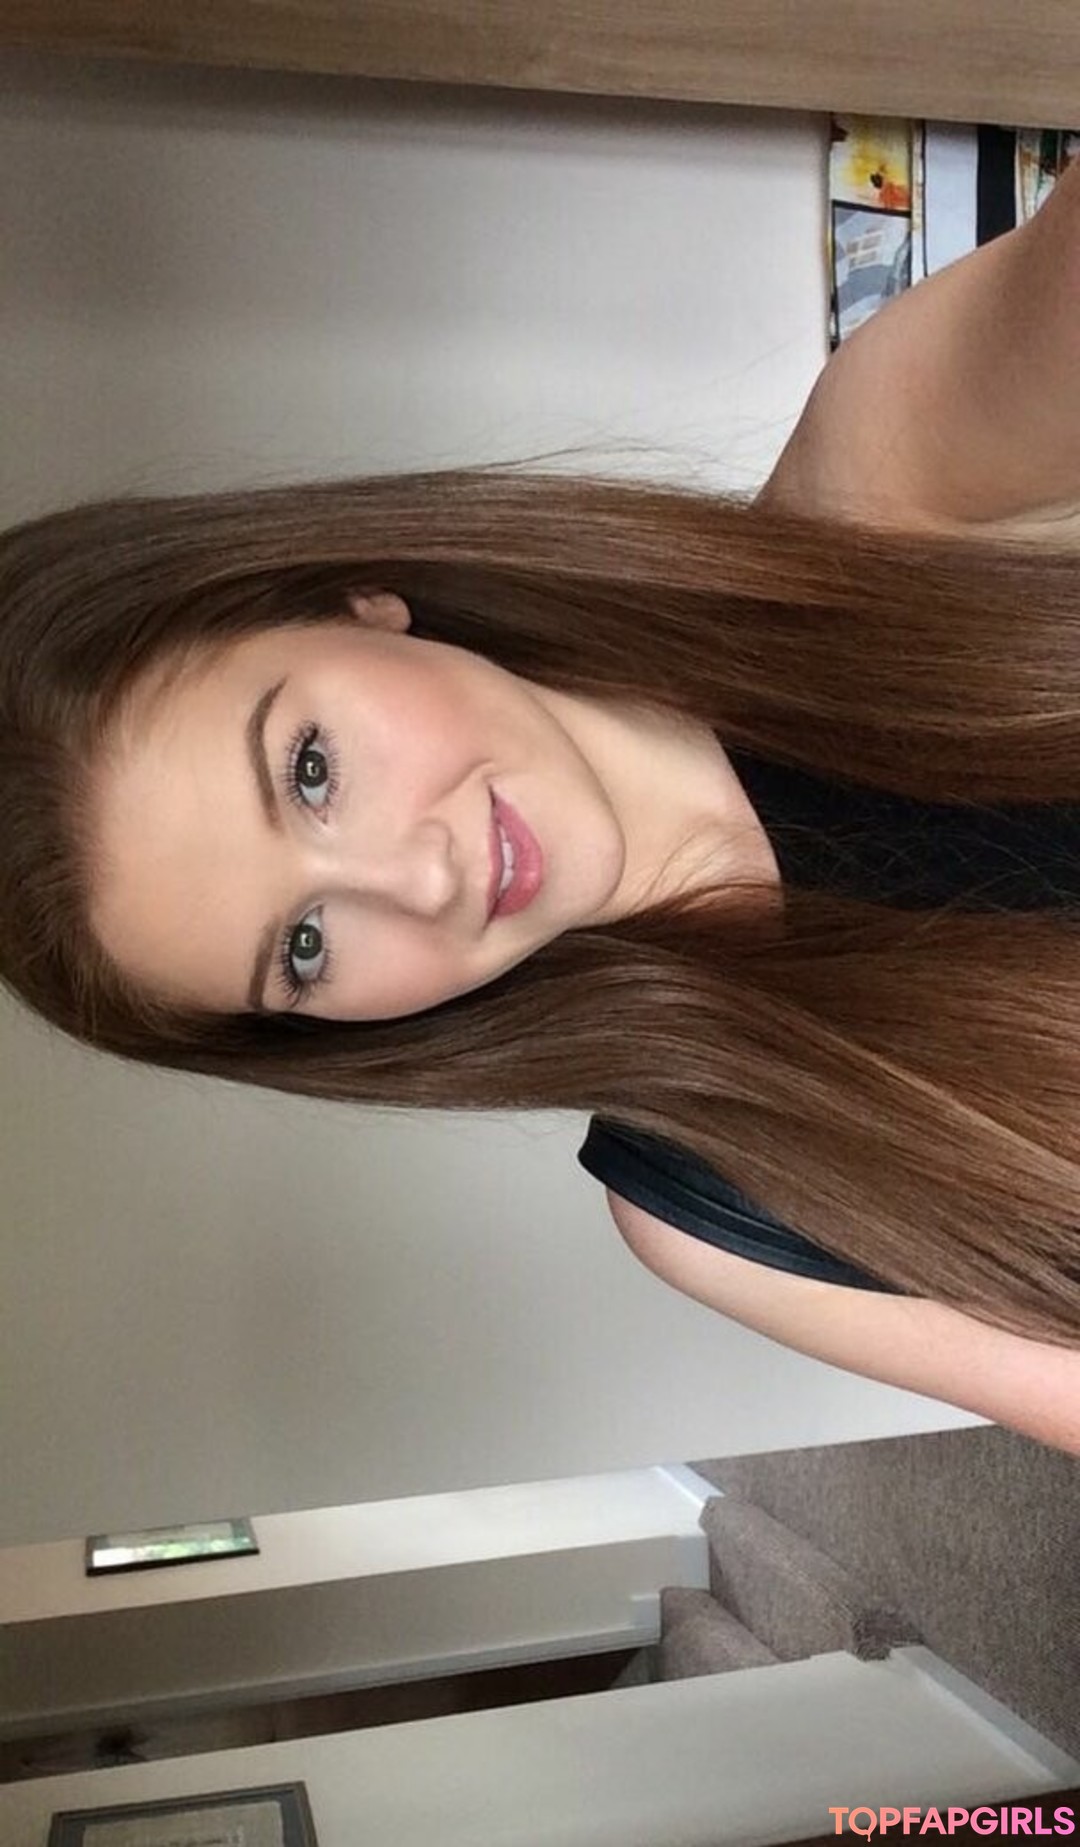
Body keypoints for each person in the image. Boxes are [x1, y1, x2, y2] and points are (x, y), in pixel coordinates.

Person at [4, 162, 1080, 1458]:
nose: (420, 879)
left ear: (350, 602)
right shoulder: (712, 1197)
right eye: (305, 946)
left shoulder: (874, 489)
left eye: (311, 771)